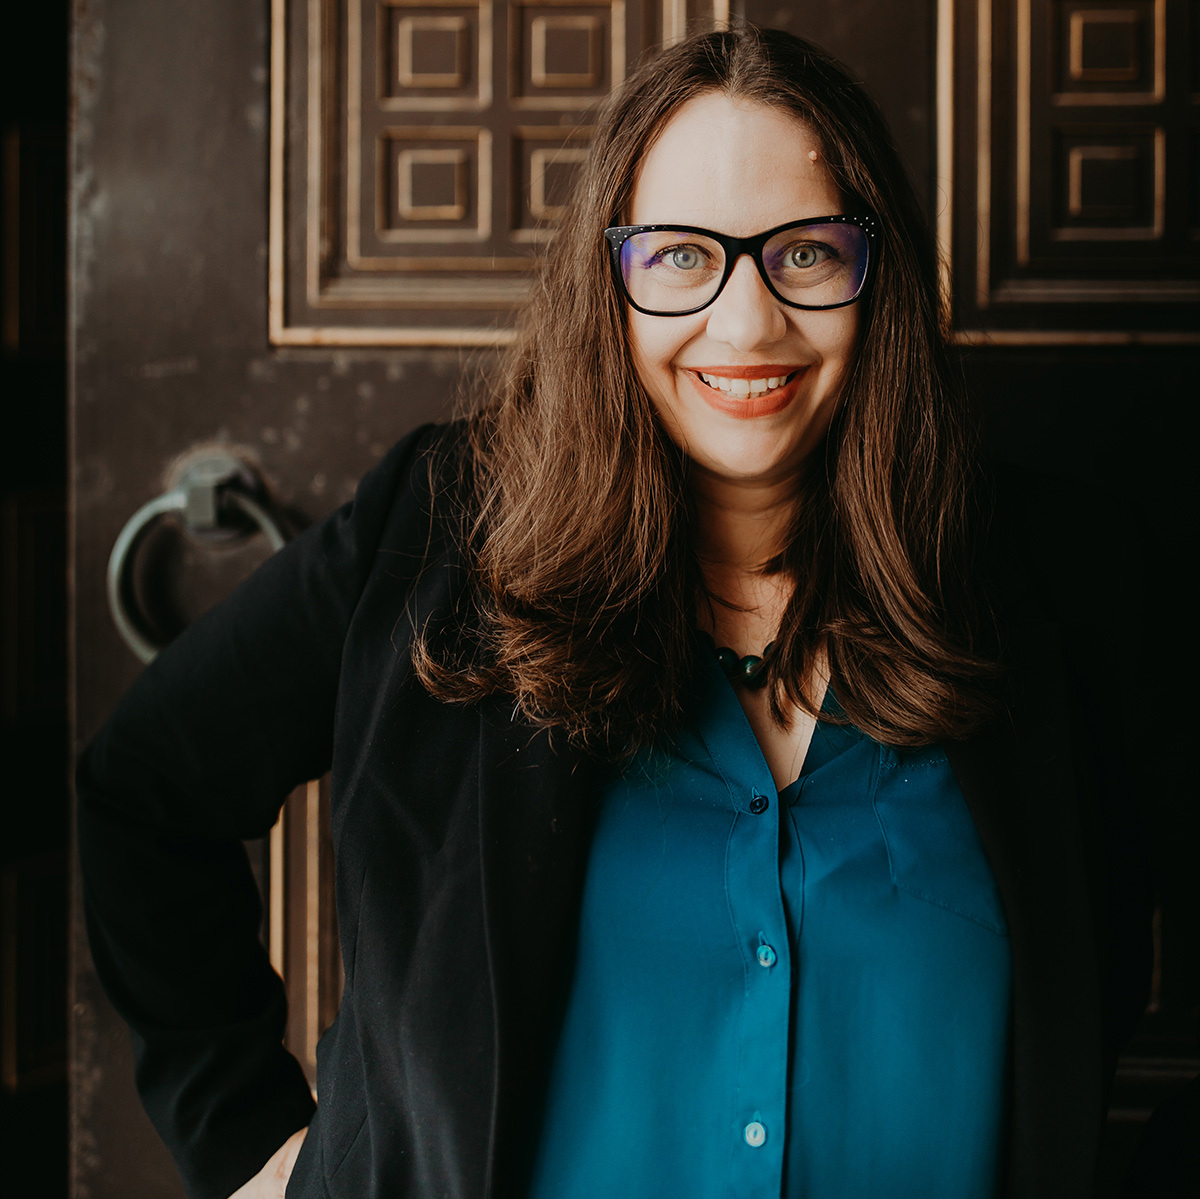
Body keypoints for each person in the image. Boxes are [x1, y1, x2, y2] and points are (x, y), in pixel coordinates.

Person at [77, 25, 1155, 1199]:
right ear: (612, 278)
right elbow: (144, 792)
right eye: (683, 257)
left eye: (802, 252)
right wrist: (246, 1140)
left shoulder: (1060, 579)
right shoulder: (437, 533)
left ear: (875, 269)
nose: (746, 325)